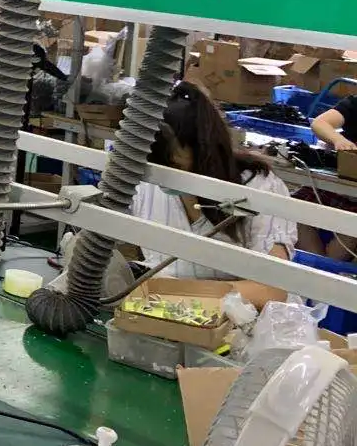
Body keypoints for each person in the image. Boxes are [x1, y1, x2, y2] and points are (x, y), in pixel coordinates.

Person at [132, 80, 294, 302]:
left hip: (244, 319)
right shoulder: (148, 182)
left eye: (175, 166)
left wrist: (173, 292)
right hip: (162, 307)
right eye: (157, 165)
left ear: (205, 152)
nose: (164, 177)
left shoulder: (261, 188)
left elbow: (271, 290)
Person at [296, 96, 357, 260]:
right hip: (337, 186)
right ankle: (318, 265)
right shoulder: (354, 104)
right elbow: (319, 123)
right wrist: (339, 140)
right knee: (292, 209)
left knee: (351, 230)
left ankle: (326, 268)